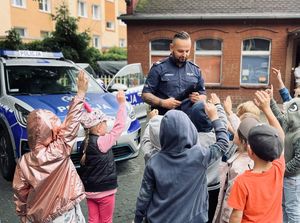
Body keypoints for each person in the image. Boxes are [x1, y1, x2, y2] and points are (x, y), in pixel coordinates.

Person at [12, 71, 88, 223]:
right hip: (63, 212)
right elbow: (71, 125)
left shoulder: (24, 162)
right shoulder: (58, 150)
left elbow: (20, 192)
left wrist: (23, 215)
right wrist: (80, 93)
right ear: (51, 131)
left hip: (38, 216)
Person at [134, 103, 229, 223]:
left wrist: (138, 219)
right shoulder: (199, 156)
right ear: (189, 129)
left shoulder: (154, 161)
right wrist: (215, 117)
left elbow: (144, 197)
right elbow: (223, 144)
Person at [228, 90, 285, 223]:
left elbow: (236, 217)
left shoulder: (242, 182)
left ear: (250, 150)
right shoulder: (278, 169)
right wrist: (267, 109)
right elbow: (280, 137)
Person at [79, 90, 127, 223]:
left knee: (93, 220)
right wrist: (122, 104)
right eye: (105, 123)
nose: (108, 126)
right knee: (106, 220)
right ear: (99, 128)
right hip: (105, 191)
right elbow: (119, 126)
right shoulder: (103, 142)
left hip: (90, 191)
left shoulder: (84, 143)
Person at [142, 31, 206, 116]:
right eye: (180, 51)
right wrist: (162, 102)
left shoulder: (195, 70)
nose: (184, 55)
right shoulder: (158, 68)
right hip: (164, 120)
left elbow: (203, 95)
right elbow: (145, 95)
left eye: (187, 51)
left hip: (189, 121)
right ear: (171, 47)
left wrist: (198, 98)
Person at [190, 93, 229, 223]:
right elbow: (222, 124)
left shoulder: (188, 141)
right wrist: (218, 106)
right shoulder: (216, 138)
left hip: (192, 187)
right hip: (212, 187)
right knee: (209, 216)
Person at [268, 86, 300, 222]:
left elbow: (299, 160)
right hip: (285, 175)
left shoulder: (298, 134)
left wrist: (283, 170)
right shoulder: (290, 125)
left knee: (292, 209)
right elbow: (280, 118)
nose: (285, 116)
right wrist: (271, 101)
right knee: (284, 207)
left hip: (292, 179)